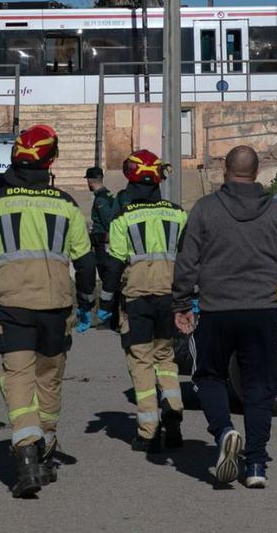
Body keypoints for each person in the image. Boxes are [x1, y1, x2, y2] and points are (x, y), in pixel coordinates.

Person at [0, 125, 95, 498]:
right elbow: (86, 263)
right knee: (49, 379)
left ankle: (26, 452)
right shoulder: (66, 204)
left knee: (18, 377)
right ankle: (45, 446)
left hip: (14, 305)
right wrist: (86, 302)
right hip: (56, 307)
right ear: (51, 160)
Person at [173, 145, 277, 488]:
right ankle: (257, 465)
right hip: (261, 312)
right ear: (256, 170)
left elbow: (187, 261)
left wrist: (182, 304)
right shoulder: (276, 212)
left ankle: (224, 432)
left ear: (224, 171)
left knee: (208, 377)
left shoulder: (204, 210)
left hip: (216, 311)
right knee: (260, 387)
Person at [94, 149, 187, 453]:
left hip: (136, 300)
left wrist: (104, 304)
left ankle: (148, 430)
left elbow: (114, 266)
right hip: (170, 297)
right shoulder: (177, 213)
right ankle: (173, 406)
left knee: (141, 362)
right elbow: (189, 259)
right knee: (166, 358)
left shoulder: (123, 219)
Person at [85, 166, 120, 330]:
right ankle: (112, 318)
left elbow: (108, 222)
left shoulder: (100, 200)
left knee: (108, 281)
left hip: (103, 245)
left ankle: (110, 319)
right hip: (104, 244)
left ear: (90, 182)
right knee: (110, 281)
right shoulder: (107, 195)